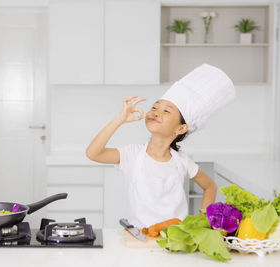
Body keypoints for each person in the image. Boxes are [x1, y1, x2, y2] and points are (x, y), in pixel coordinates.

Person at [86, 64, 236, 228]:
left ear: (181, 128)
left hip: (175, 241)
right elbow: (93, 153)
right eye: (155, 107)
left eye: (166, 111)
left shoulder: (182, 162)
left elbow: (210, 186)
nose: (156, 112)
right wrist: (120, 119)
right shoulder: (132, 154)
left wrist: (203, 222)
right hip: (140, 239)